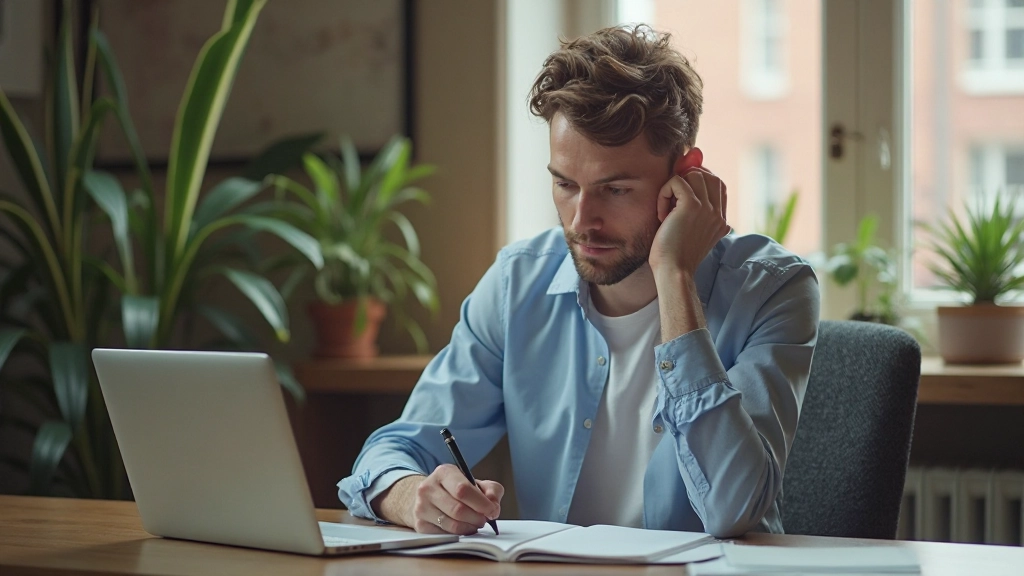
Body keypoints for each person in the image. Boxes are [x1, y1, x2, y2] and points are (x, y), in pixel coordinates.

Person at [338, 24, 819, 539]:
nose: (580, 221)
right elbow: (394, 451)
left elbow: (734, 509)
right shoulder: (516, 284)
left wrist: (674, 276)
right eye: (565, 184)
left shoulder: (773, 290)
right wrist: (412, 495)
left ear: (686, 174)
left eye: (614, 189)